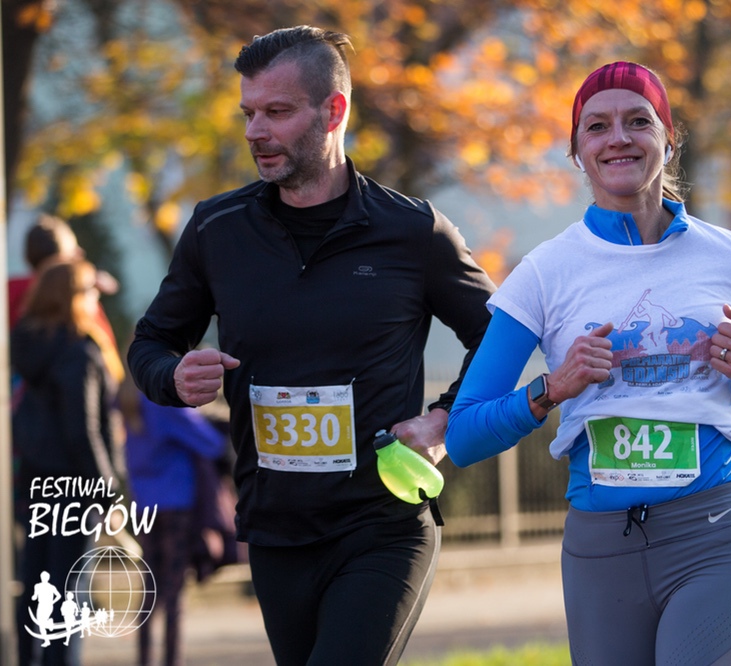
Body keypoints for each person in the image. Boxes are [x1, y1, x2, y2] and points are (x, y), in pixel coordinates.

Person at [126, 25, 495, 666]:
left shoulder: (413, 231)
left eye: (276, 112)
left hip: (382, 526)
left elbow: (498, 338)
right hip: (276, 531)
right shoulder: (217, 229)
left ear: (334, 111)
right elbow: (151, 343)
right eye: (248, 113)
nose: (255, 131)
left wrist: (444, 420)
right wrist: (172, 376)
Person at [446, 61, 731, 665]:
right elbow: (463, 436)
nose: (618, 137)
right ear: (577, 151)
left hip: (715, 534)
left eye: (638, 121)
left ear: (668, 138)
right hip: (601, 552)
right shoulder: (545, 272)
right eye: (597, 126)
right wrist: (552, 387)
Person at [12, 258, 125, 666]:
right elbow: (84, 430)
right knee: (69, 589)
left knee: (34, 582)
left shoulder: (26, 345)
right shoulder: (79, 351)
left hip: (34, 479)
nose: (95, 299)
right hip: (75, 486)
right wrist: (108, 492)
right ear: (74, 296)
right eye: (90, 291)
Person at [120, 366, 228, 666]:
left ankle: (144, 658)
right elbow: (210, 442)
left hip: (144, 502)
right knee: (173, 592)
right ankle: (171, 660)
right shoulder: (162, 400)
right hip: (177, 503)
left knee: (149, 589)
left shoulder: (127, 399)